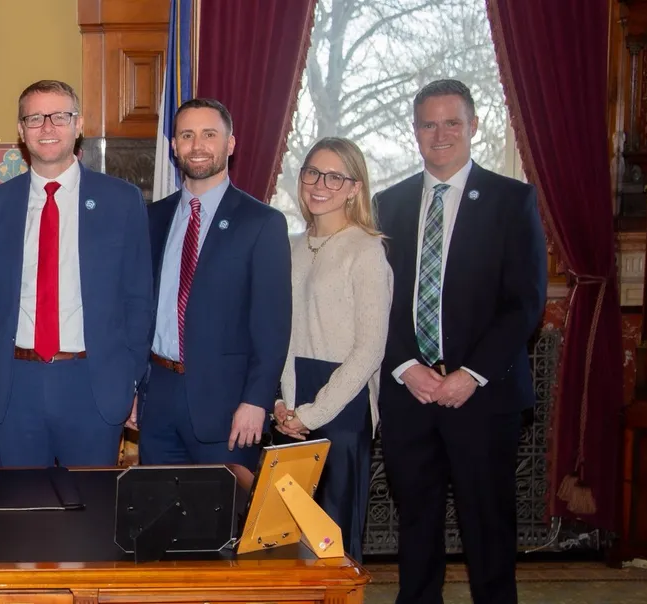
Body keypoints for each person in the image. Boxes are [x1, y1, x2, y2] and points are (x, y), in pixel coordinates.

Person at [375, 79, 546, 604]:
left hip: (483, 397)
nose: (441, 133)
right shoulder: (388, 204)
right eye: (429, 123)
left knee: (489, 530)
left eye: (452, 122)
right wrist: (406, 365)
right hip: (410, 395)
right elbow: (378, 299)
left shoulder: (511, 200)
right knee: (417, 528)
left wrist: (469, 375)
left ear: (473, 127)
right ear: (415, 132)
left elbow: (524, 303)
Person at [0, 80, 153, 467]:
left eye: (60, 116)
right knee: (20, 517)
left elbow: (138, 301)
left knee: (90, 517)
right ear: (20, 131)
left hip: (92, 385)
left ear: (79, 124)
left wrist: (130, 382)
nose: (48, 127)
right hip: (14, 388)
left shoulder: (122, 201)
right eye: (35, 118)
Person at [140, 98, 291, 471]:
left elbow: (272, 326)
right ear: (174, 146)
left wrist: (256, 401)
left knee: (225, 526)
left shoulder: (262, 223)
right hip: (157, 400)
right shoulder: (152, 218)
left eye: (209, 134)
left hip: (228, 409)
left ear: (230, 144)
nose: (198, 145)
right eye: (187, 135)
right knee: (157, 523)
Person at [271, 137, 392, 563]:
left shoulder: (367, 251)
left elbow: (369, 351)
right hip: (289, 401)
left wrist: (312, 414)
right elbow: (281, 332)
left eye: (335, 176)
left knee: (331, 544)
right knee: (285, 540)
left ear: (355, 187)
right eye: (312, 172)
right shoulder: (291, 246)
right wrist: (283, 405)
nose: (320, 184)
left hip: (341, 406)